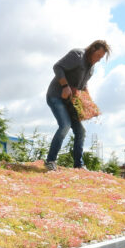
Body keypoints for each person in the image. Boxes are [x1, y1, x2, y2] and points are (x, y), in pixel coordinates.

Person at [45, 39, 110, 171]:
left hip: (70, 102)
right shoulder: (77, 55)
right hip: (56, 96)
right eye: (98, 56)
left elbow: (83, 85)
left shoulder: (91, 68)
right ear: (92, 49)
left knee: (81, 131)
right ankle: (50, 161)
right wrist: (65, 86)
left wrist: (89, 103)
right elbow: (57, 67)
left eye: (101, 58)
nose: (98, 59)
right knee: (65, 125)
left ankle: (78, 165)